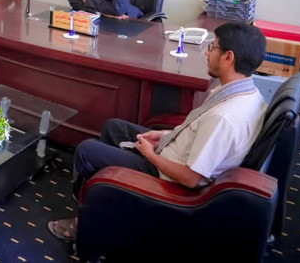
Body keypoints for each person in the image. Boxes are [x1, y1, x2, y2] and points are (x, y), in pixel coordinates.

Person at [48, 22, 268, 241]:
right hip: (175, 154)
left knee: (86, 151)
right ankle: (106, 200)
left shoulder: (224, 118)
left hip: (169, 179)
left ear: (228, 57)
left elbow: (190, 179)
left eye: (213, 47)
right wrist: (165, 135)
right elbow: (197, 131)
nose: (207, 53)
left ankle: (87, 222)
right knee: (114, 127)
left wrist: (150, 155)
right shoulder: (246, 94)